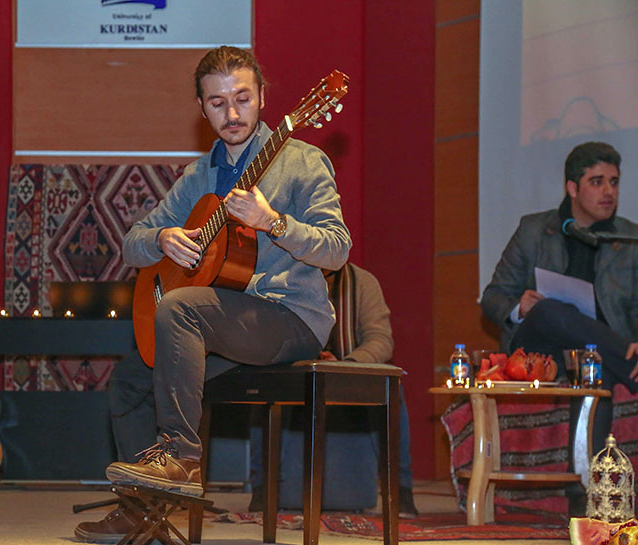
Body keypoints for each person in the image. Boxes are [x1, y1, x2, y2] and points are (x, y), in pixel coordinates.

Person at [74, 46, 351, 542]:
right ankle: (140, 511)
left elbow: (337, 249)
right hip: (224, 319)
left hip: (291, 317)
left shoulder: (303, 162)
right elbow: (133, 242)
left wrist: (273, 222)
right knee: (131, 379)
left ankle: (181, 457)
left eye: (242, 98)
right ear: (202, 109)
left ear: (262, 97)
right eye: (218, 103)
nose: (232, 113)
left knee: (180, 308)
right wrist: (162, 238)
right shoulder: (197, 176)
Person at [480, 141, 638, 515]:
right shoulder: (534, 230)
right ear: (572, 187)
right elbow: (492, 297)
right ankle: (625, 362)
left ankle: (584, 498)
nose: (609, 191)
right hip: (540, 349)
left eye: (614, 182)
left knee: (595, 370)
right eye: (597, 181)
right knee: (550, 310)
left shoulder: (629, 239)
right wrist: (519, 307)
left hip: (594, 352)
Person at [247, 263, 418, 517]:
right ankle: (263, 490)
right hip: (297, 369)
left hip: (349, 370)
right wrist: (308, 361)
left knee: (391, 388)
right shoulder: (282, 278)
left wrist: (346, 364)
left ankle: (400, 490)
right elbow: (267, 334)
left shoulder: (363, 282)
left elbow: (381, 339)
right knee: (264, 389)